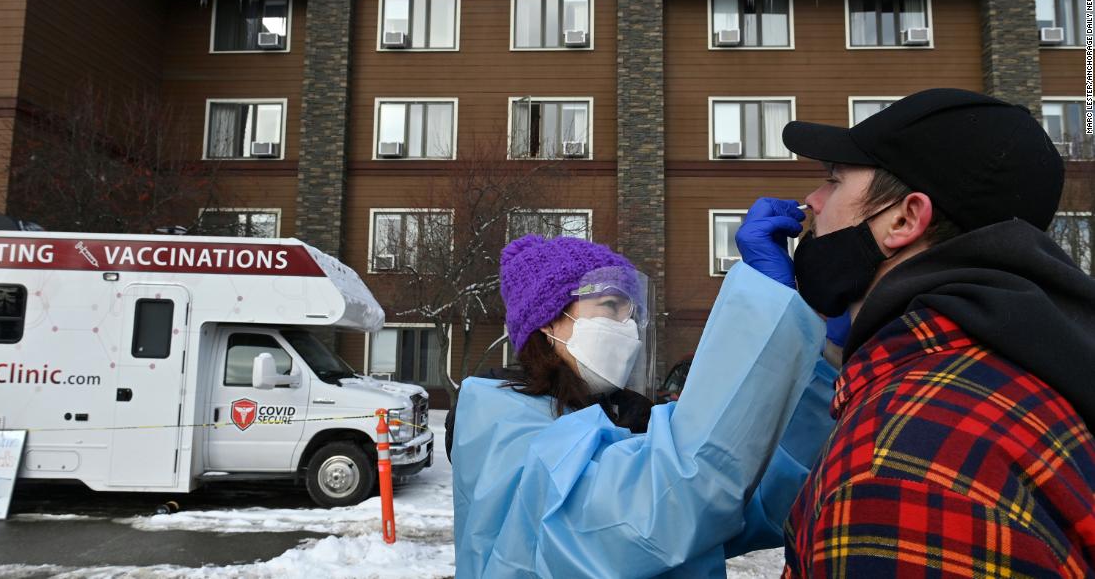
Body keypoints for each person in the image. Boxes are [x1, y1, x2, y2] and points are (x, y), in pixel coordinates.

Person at [777, 88, 1095, 577]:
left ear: (904, 218)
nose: (812, 201)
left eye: (833, 181)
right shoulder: (1024, 365)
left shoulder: (898, 463)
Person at [451, 230, 840, 578]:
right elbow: (653, 516)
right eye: (610, 307)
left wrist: (815, 368)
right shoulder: (503, 423)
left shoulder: (618, 418)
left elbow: (744, 503)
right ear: (549, 323)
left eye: (634, 312)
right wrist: (763, 313)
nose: (629, 326)